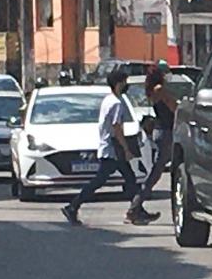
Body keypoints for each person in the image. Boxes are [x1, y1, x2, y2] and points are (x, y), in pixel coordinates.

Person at [61, 69, 160, 227]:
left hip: (110, 148)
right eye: (125, 82)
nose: (126, 85)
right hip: (112, 150)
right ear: (119, 83)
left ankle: (136, 211)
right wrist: (126, 149)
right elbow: (116, 127)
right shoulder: (115, 103)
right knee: (99, 181)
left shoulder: (109, 100)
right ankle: (73, 206)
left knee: (130, 179)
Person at [130, 65, 175, 216]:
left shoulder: (151, 90)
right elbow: (174, 107)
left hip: (161, 130)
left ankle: (137, 205)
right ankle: (136, 205)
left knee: (163, 168)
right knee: (156, 171)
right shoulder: (159, 89)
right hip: (166, 132)